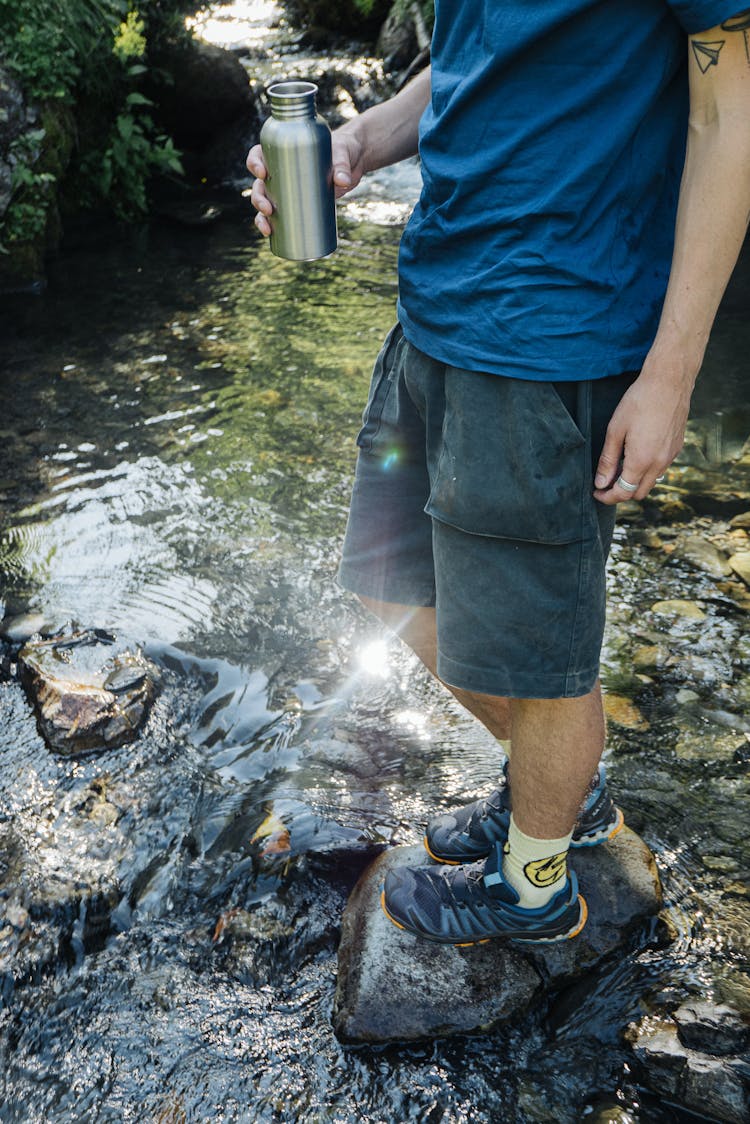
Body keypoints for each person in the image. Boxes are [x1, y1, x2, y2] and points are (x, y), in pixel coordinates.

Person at [248, 2, 750, 945]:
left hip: (553, 332)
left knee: (539, 650)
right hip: (439, 298)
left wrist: (672, 375)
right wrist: (358, 139)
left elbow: (731, 111)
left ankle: (536, 886)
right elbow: (477, 64)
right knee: (389, 585)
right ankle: (563, 794)